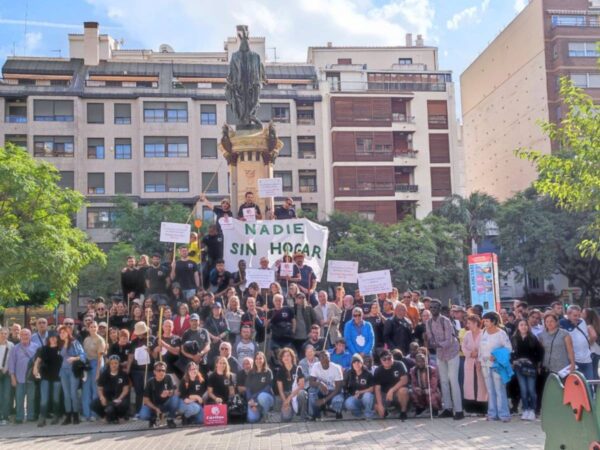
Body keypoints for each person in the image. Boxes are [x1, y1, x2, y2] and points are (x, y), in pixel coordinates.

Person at [425, 299, 464, 420]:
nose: (432, 310)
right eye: (431, 308)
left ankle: (459, 410)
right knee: (443, 381)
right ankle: (447, 408)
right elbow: (430, 338)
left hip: (452, 352)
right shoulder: (429, 322)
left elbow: (449, 340)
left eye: (435, 307)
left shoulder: (445, 321)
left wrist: (437, 344)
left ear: (440, 309)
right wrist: (430, 343)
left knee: (453, 380)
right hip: (440, 354)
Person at [479, 311, 513, 422]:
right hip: (485, 365)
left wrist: (496, 355)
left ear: (493, 322)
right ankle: (492, 414)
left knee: (499, 389)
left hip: (497, 365)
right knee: (490, 390)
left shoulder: (501, 333)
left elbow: (508, 348)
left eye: (487, 321)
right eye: (484, 321)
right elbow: (481, 348)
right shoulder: (484, 332)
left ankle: (504, 414)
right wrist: (480, 361)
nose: (485, 323)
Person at [511, 319, 543, 421]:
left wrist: (537, 364)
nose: (523, 327)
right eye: (521, 325)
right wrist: (513, 361)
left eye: (525, 325)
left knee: (531, 389)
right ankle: (525, 409)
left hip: (531, 367)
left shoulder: (533, 338)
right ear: (518, 327)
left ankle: (532, 410)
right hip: (519, 367)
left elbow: (540, 352)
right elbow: (510, 352)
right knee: (523, 390)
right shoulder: (514, 338)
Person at [8, 328, 40, 423]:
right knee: (19, 398)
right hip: (19, 378)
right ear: (20, 336)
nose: (25, 336)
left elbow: (39, 361)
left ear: (30, 336)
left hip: (31, 377)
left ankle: (30, 416)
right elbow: (11, 363)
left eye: (27, 334)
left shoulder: (36, 347)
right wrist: (12, 377)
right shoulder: (15, 348)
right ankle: (19, 417)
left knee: (31, 398)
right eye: (23, 334)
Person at [32, 330, 61, 427]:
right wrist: (35, 368)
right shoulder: (44, 349)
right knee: (44, 399)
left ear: (57, 338)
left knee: (56, 398)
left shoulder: (61, 348)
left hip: (58, 377)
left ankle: (56, 416)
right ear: (48, 339)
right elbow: (38, 360)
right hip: (45, 376)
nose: (53, 339)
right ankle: (42, 418)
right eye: (51, 337)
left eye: (55, 337)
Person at [58, 325, 85, 425]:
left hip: (73, 371)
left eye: (64, 332)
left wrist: (74, 358)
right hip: (63, 371)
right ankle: (68, 415)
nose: (62, 334)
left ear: (68, 333)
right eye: (60, 333)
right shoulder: (60, 343)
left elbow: (83, 355)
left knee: (73, 394)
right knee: (66, 394)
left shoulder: (74, 342)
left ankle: (76, 415)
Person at [127, 321, 156, 414]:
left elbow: (156, 356)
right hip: (136, 370)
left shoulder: (152, 340)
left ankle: (151, 410)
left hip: (149, 370)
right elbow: (130, 356)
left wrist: (150, 352)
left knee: (149, 390)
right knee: (138, 391)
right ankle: (139, 411)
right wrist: (128, 369)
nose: (139, 335)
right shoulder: (134, 342)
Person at [139, 361, 178, 429]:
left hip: (165, 405)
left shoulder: (168, 378)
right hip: (153, 406)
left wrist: (168, 393)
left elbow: (173, 391)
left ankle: (170, 419)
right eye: (159, 370)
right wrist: (156, 408)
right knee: (143, 415)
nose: (161, 372)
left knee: (175, 399)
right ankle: (152, 420)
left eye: (163, 370)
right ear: (154, 372)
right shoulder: (150, 382)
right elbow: (145, 400)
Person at [373, 349, 409, 421]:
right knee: (377, 408)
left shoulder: (399, 364)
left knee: (404, 391)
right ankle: (387, 411)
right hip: (385, 394)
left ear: (392, 357)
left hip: (397, 392)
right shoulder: (378, 370)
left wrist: (391, 390)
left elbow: (405, 380)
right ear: (381, 361)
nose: (387, 361)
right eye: (384, 359)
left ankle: (403, 412)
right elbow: (377, 389)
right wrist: (380, 405)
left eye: (389, 358)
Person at [92, 355, 130, 423]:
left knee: (124, 404)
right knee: (94, 404)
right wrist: (102, 397)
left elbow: (125, 389)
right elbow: (100, 388)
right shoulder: (104, 374)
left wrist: (120, 398)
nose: (114, 365)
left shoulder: (123, 374)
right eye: (112, 363)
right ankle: (104, 416)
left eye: (116, 363)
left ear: (119, 364)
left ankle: (120, 416)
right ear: (109, 364)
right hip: (108, 399)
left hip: (119, 398)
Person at [461, 314, 487, 412]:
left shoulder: (483, 333)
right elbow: (463, 347)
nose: (468, 325)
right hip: (469, 362)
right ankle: (470, 407)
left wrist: (478, 354)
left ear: (476, 323)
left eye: (469, 323)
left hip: (481, 362)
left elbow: (485, 347)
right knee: (470, 383)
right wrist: (470, 353)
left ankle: (482, 406)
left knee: (481, 384)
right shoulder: (467, 334)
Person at [560, 305, 593, 380]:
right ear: (568, 314)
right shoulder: (562, 323)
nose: (578, 318)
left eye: (579, 315)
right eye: (575, 315)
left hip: (587, 359)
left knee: (590, 384)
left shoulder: (582, 321)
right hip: (574, 361)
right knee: (577, 386)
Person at [308, 351, 344, 420]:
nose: (323, 358)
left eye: (326, 356)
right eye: (321, 357)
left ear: (329, 358)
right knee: (311, 391)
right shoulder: (316, 366)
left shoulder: (336, 368)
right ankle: (315, 415)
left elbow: (338, 389)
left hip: (334, 391)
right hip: (322, 390)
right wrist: (320, 384)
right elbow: (311, 382)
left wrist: (324, 400)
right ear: (319, 359)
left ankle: (337, 413)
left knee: (338, 400)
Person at [538, 311, 576, 376]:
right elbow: (540, 352)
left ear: (556, 322)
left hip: (562, 368)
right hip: (547, 368)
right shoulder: (541, 335)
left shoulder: (564, 334)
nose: (549, 323)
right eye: (547, 321)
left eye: (551, 321)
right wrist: (538, 366)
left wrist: (573, 364)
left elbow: (570, 350)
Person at [82, 321, 106, 421]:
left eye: (95, 327)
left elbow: (100, 358)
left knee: (95, 390)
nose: (93, 328)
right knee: (86, 390)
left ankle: (94, 414)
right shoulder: (86, 339)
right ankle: (86, 414)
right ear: (88, 328)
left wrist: (97, 373)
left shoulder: (100, 340)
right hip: (87, 365)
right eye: (91, 327)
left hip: (97, 364)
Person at [276, 347, 307, 421]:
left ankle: (302, 416)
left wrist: (289, 398)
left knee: (303, 393)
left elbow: (301, 386)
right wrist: (285, 401)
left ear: (292, 357)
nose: (286, 358)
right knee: (286, 418)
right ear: (281, 359)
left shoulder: (298, 368)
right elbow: (280, 390)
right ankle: (291, 412)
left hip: (295, 393)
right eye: (284, 356)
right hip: (285, 395)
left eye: (288, 355)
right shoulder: (280, 371)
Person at [245, 352, 274, 423]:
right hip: (253, 400)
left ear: (264, 360)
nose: (258, 360)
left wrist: (254, 398)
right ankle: (260, 413)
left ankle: (265, 414)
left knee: (262, 396)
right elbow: (248, 389)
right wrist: (250, 401)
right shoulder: (251, 373)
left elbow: (267, 388)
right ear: (254, 360)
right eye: (256, 359)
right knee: (252, 419)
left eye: (260, 358)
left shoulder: (268, 372)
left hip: (266, 398)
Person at [343, 353, 375, 419]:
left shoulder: (368, 373)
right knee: (348, 403)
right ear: (352, 364)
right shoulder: (349, 373)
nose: (356, 364)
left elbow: (372, 389)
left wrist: (360, 392)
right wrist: (350, 395)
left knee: (367, 396)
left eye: (358, 362)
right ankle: (358, 414)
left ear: (362, 363)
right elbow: (345, 387)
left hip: (366, 398)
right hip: (355, 397)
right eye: (354, 362)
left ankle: (368, 413)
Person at [0, 328, 14, 425]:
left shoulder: (11, 345)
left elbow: (12, 360)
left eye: (6, 333)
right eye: (2, 333)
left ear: (8, 335)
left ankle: (5, 417)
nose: (4, 335)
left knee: (6, 395)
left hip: (6, 373)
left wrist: (8, 369)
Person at [583, 308, 600, 379]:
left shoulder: (589, 326)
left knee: (592, 372)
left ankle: (593, 388)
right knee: (594, 370)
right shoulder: (596, 325)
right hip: (597, 351)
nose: (581, 315)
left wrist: (586, 344)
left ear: (587, 316)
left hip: (592, 351)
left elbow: (593, 336)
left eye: (583, 313)